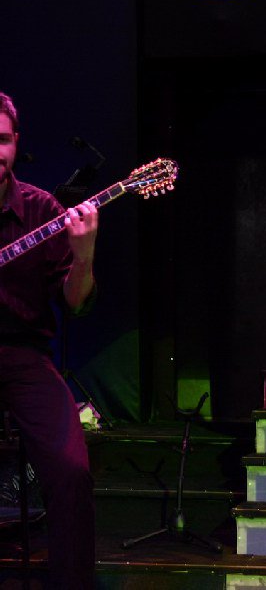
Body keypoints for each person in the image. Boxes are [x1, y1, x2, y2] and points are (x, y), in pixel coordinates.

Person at [0, 92, 98, 589]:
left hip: (22, 355)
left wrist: (84, 255)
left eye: (1, 139)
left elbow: (77, 304)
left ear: (16, 142)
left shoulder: (44, 211)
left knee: (71, 472)